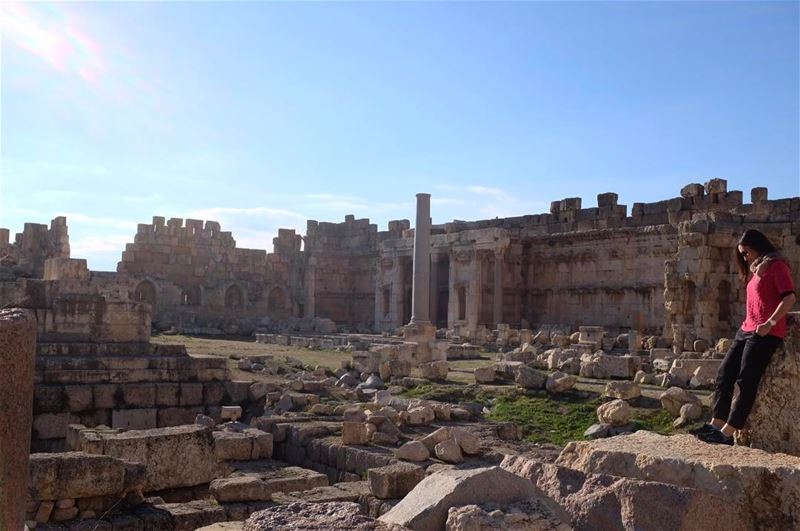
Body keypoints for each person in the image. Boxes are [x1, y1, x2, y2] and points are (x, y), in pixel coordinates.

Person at [693, 229, 796, 445]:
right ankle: (715, 424)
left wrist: (770, 323)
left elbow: (789, 298)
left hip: (765, 332)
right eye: (742, 254)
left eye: (746, 252)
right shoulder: (756, 268)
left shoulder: (777, 265)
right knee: (724, 373)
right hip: (746, 329)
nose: (744, 257)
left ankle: (728, 432)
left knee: (746, 380)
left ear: (757, 246)